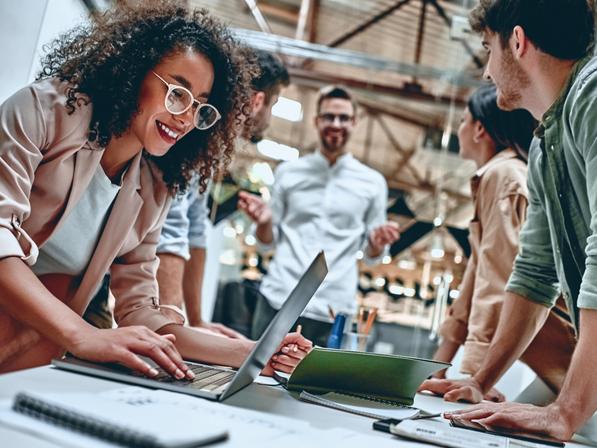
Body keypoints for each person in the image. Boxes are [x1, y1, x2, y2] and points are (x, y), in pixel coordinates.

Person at [0, 1, 310, 377]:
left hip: (28, 353)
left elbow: (142, 311)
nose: (185, 117)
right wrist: (83, 335)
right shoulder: (42, 111)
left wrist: (255, 352)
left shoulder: (154, 186)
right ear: (131, 71)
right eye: (177, 93)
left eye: (201, 107)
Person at [418, 0, 597, 440]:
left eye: (487, 49)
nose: (485, 72)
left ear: (517, 42)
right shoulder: (543, 145)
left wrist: (566, 411)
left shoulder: (592, 95)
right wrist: (480, 380)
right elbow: (535, 273)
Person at [423, 84, 575, 402]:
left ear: (480, 129)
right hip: (553, 359)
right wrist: (438, 365)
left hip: (568, 356)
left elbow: (498, 279)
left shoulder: (503, 176)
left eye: (463, 120)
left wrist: (476, 377)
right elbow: (474, 280)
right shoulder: (497, 176)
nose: (460, 128)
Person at [239, 85, 400, 347]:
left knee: (319, 386)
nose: (336, 124)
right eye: (328, 116)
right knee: (257, 377)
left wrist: (377, 244)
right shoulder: (289, 172)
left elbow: (373, 258)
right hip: (279, 298)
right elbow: (267, 242)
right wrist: (265, 223)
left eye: (344, 118)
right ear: (316, 121)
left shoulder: (373, 183)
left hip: (334, 308)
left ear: (354, 122)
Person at [154, 49, 289, 338]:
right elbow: (172, 227)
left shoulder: (214, 147)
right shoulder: (196, 134)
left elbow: (195, 227)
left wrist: (196, 320)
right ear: (257, 101)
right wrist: (175, 327)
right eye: (274, 104)